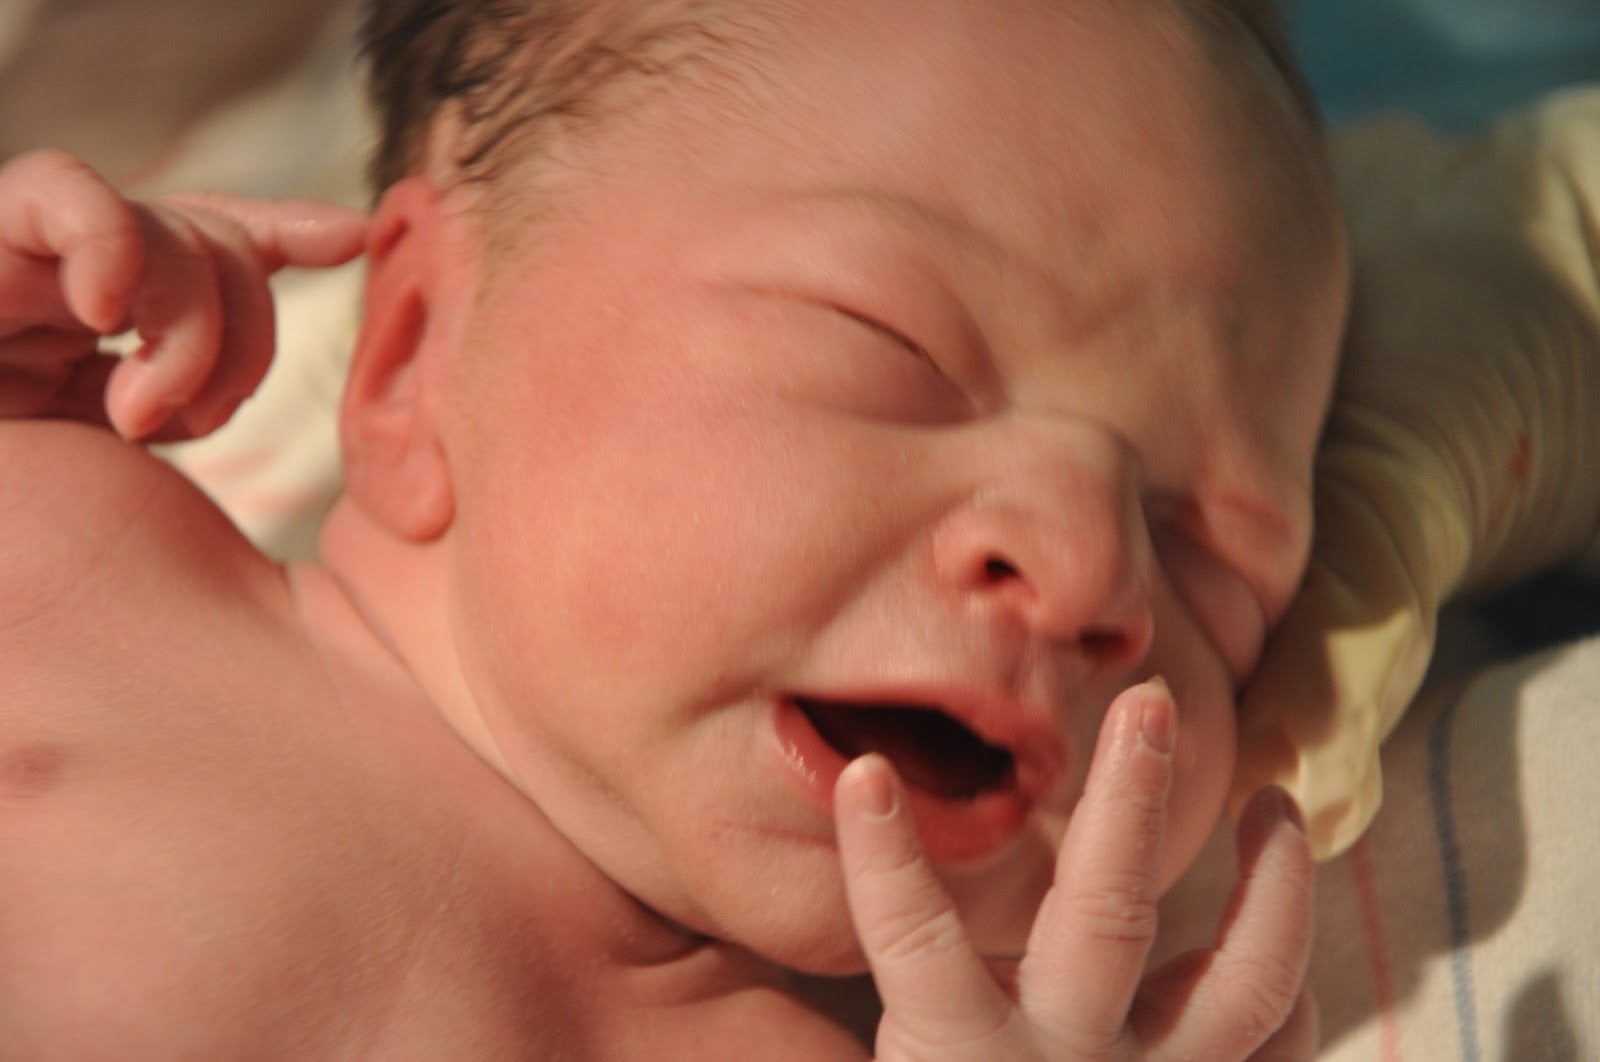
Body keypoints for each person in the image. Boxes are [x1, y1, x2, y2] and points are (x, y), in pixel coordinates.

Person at [0, 0, 1344, 1056]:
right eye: (894, 344)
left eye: (1209, 548)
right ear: (416, 354)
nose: (1095, 566)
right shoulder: (88, 559)